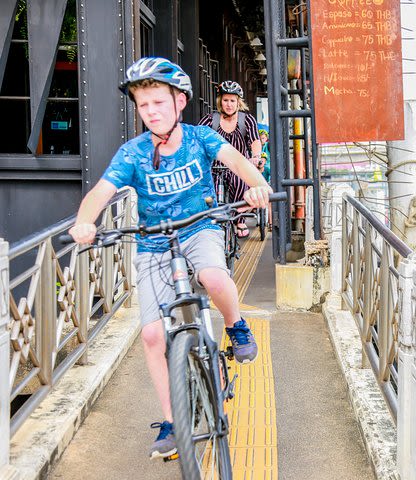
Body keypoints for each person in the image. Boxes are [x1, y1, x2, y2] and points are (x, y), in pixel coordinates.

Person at [66, 57, 272, 460]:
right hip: (154, 242)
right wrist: (84, 223)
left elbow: (238, 163)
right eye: (143, 106)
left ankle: (236, 325)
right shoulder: (134, 153)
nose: (151, 112)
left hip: (200, 227)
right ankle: (172, 420)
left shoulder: (200, 138)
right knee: (152, 334)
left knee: (213, 277)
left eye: (159, 102)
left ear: (180, 102)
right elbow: (100, 193)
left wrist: (258, 186)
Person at [199, 80, 262, 238]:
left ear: (238, 102)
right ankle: (211, 220)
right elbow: (197, 139)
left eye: (232, 101)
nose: (229, 104)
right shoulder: (210, 120)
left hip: (238, 166)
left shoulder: (246, 120)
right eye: (225, 100)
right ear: (220, 101)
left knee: (240, 183)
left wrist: (255, 157)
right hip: (214, 166)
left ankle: (238, 219)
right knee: (206, 190)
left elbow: (255, 141)